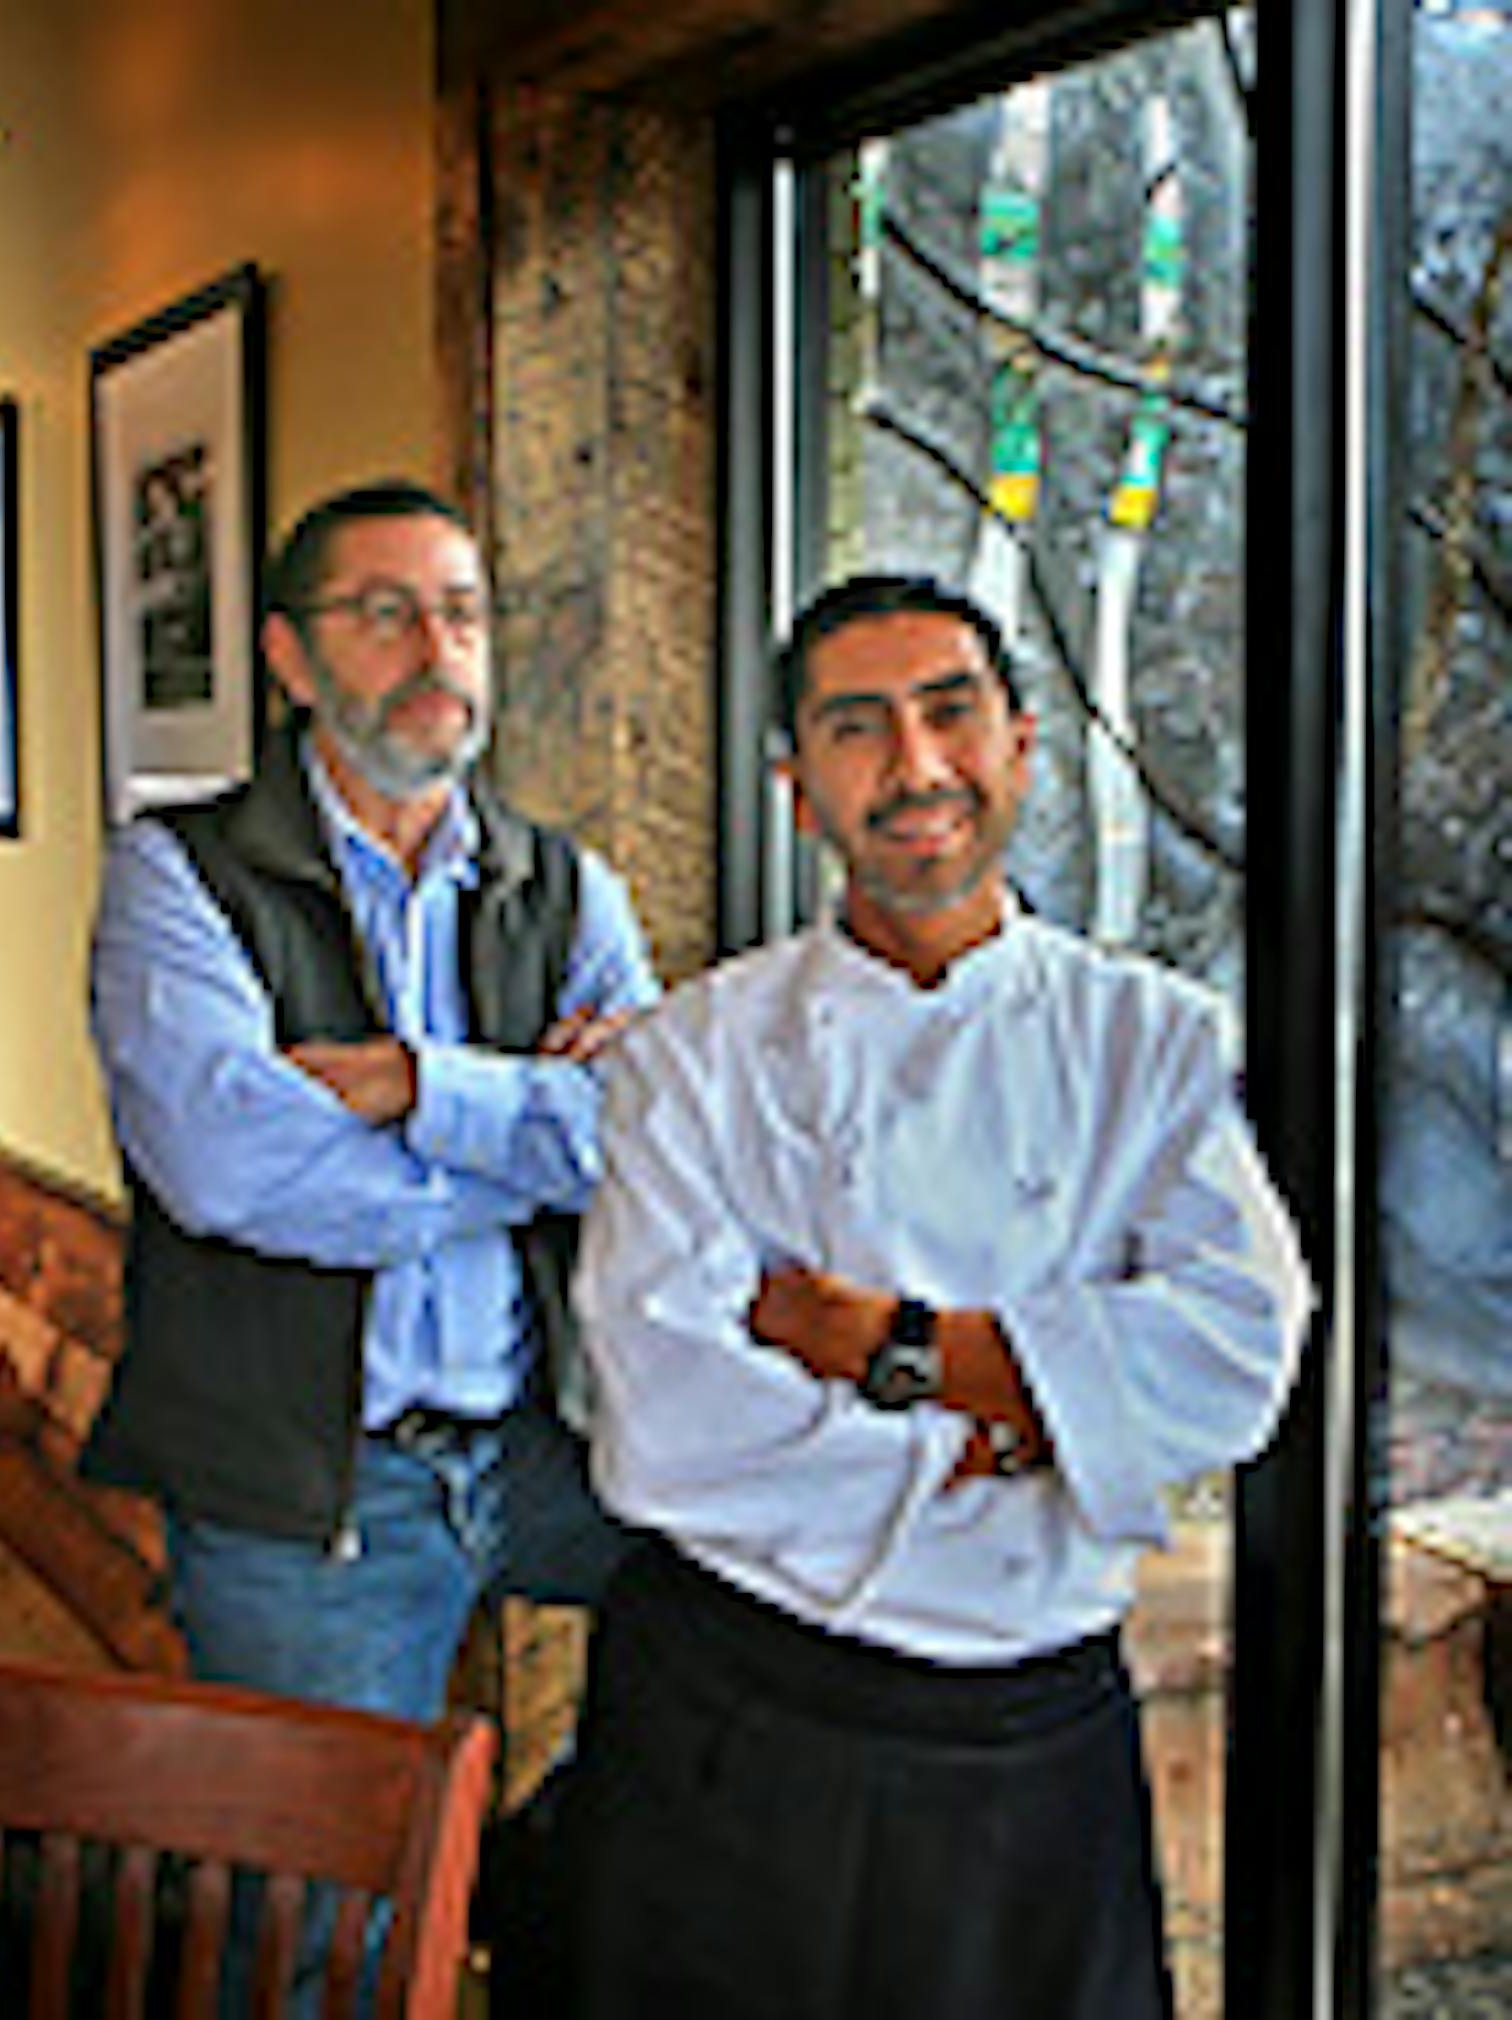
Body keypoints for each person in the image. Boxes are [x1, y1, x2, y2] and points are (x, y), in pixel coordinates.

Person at [562, 573, 1313, 2019]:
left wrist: (883, 1345)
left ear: (1022, 745)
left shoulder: (1150, 1038)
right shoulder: (690, 1056)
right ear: (797, 789)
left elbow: (1239, 1354)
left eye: (950, 712)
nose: (914, 767)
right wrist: (1029, 1422)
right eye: (857, 727)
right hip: (734, 1717)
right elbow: (662, 1426)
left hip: (1029, 1730)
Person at [83, 478, 658, 1730]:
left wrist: (424, 1089)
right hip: (309, 1493)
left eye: (463, 612)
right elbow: (233, 1171)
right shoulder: (178, 874)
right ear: (289, 658)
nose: (437, 648)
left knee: (733, 1681)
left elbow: (659, 1142)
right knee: (323, 1861)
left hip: (555, 1444)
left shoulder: (565, 887)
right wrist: (538, 1134)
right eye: (385, 613)